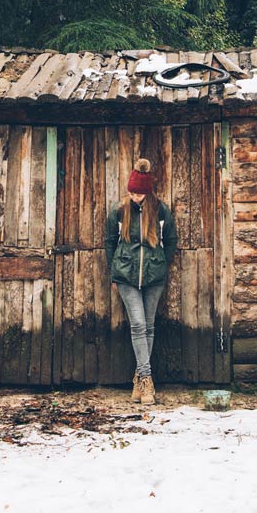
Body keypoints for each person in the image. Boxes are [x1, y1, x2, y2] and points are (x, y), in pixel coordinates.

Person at [105, 157, 176, 404]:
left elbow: (171, 240)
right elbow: (109, 242)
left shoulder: (161, 210)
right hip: (125, 276)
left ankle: (139, 379)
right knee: (137, 325)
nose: (135, 197)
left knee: (149, 326)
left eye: (139, 193)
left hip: (153, 278)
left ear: (147, 191)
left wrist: (160, 264)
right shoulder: (118, 211)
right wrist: (113, 271)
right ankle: (147, 379)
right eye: (132, 192)